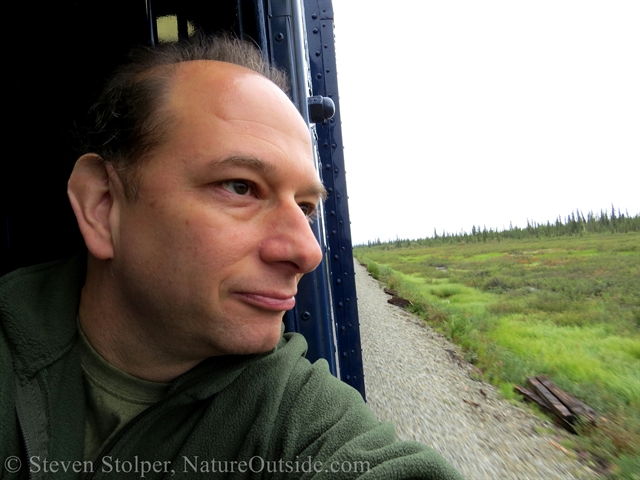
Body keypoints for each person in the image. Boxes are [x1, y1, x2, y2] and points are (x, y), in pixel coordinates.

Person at [0, 36, 463, 479]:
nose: (307, 251)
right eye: (241, 187)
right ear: (103, 205)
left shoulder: (291, 413)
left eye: (304, 208)